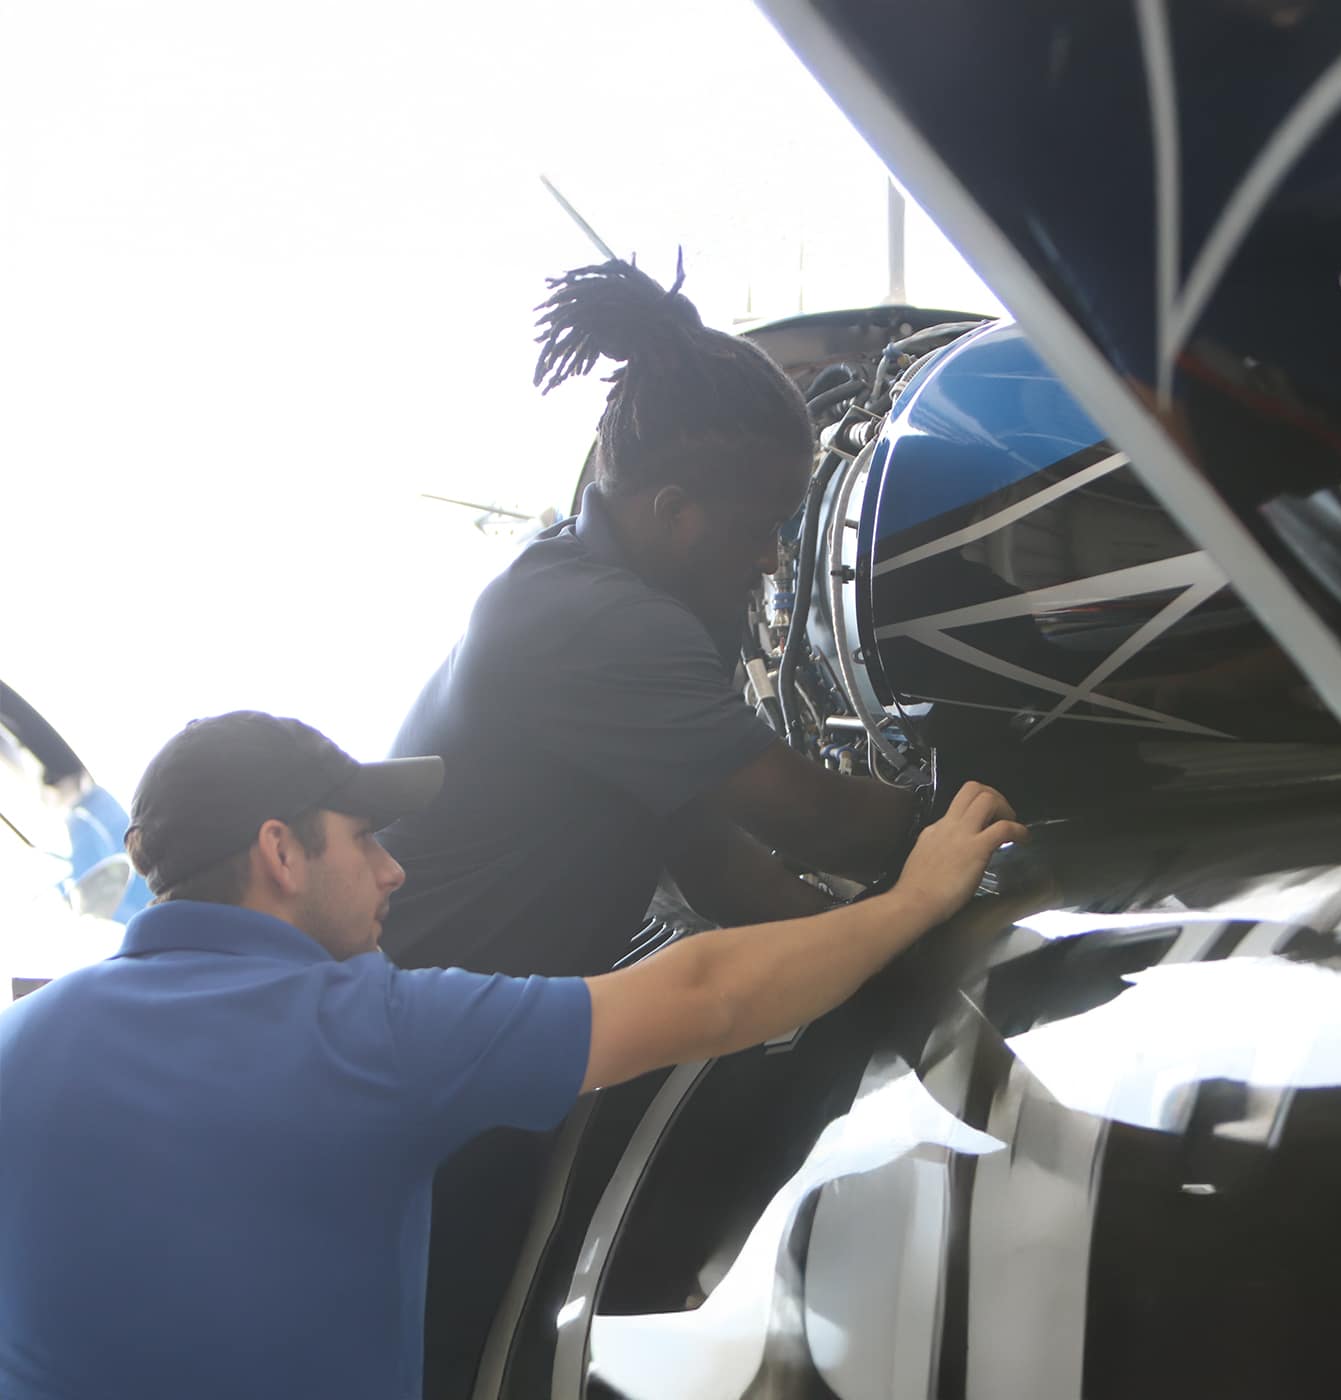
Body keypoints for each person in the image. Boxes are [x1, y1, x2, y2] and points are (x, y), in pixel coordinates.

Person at [0, 711, 1021, 1400]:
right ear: (279, 851)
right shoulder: (365, 1032)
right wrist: (913, 898)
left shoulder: (25, 1037)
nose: (394, 868)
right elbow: (706, 996)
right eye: (365, 838)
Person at [378, 257, 942, 1393]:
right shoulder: (602, 623)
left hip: (463, 1059)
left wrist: (877, 948)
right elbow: (803, 813)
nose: (773, 557)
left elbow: (710, 860)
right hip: (425, 1085)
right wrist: (949, 828)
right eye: (760, 526)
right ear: (673, 512)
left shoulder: (571, 588)